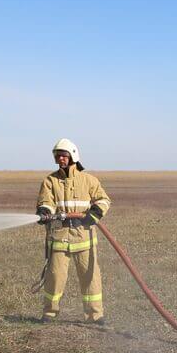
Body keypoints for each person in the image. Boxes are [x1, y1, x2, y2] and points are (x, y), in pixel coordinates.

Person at [35, 138, 111, 324]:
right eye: (57, 156)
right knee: (55, 278)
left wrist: (94, 214)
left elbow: (104, 200)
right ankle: (49, 313)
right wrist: (45, 211)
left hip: (84, 238)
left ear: (73, 156)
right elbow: (46, 202)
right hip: (59, 238)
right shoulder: (50, 181)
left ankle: (95, 315)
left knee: (90, 278)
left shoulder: (88, 180)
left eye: (63, 155)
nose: (60, 159)